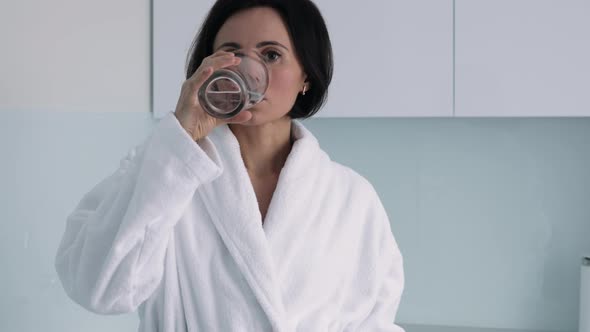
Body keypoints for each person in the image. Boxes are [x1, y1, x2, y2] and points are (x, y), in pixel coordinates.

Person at [54, 0, 405, 331]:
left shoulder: (350, 198)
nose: (250, 72)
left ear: (306, 76)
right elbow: (99, 289)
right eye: (231, 54)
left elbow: (373, 321)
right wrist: (181, 138)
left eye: (271, 55)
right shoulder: (165, 170)